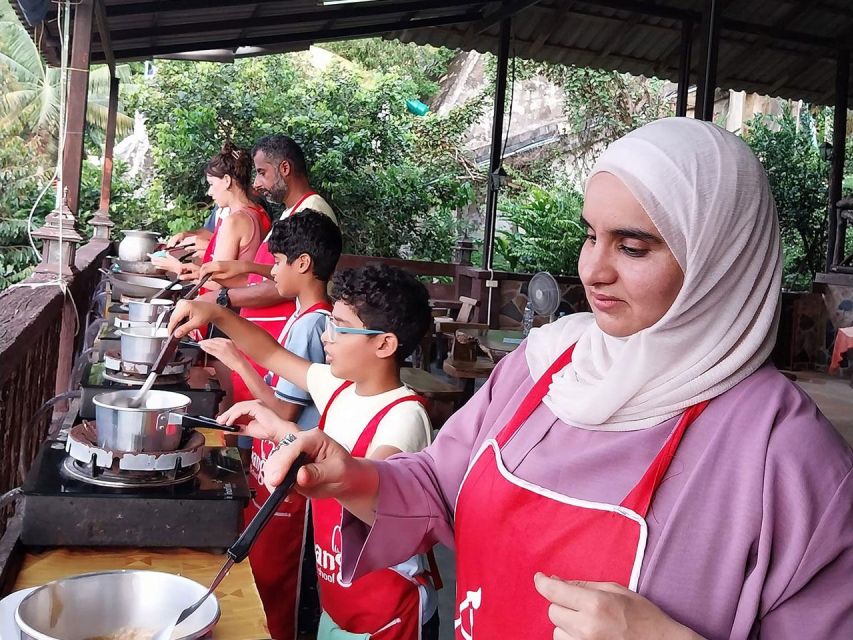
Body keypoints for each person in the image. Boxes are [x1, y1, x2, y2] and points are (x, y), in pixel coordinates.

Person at [258, 118, 853, 639]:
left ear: (720, 261)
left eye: (634, 247)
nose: (592, 270)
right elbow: (440, 485)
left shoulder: (790, 461)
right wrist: (352, 476)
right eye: (591, 235)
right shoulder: (542, 368)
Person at [169, 264, 441, 640]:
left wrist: (291, 439)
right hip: (339, 598)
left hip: (389, 612)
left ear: (384, 344)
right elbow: (270, 353)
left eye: (340, 327)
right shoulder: (340, 387)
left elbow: (378, 509)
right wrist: (216, 313)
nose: (326, 336)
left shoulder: (404, 416)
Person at [198, 209, 342, 640]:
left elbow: (285, 413)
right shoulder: (303, 316)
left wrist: (236, 359)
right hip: (272, 468)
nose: (271, 270)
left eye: (277, 261)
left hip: (293, 484)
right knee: (263, 577)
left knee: (281, 588)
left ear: (303, 264)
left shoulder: (315, 323)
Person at [201, 135, 337, 406]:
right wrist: (245, 266)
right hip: (272, 332)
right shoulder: (290, 212)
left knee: (271, 409)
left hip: (282, 331)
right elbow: (282, 270)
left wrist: (222, 299)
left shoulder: (313, 211)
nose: (257, 184)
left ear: (284, 169)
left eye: (262, 173)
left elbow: (290, 283)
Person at [153, 142, 269, 289]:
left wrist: (176, 267)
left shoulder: (234, 221)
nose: (210, 192)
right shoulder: (258, 212)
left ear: (227, 181)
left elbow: (216, 283)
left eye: (212, 184)